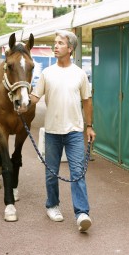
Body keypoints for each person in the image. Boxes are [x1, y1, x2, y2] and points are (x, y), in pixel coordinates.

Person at [29, 30, 96, 232]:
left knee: (77, 173)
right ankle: (52, 205)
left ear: (71, 48)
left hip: (75, 132)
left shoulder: (80, 74)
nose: (55, 46)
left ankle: (82, 213)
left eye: (60, 43)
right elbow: (34, 97)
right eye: (55, 43)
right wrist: (21, 103)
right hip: (52, 131)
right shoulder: (47, 73)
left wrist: (89, 126)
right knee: (51, 174)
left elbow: (87, 101)